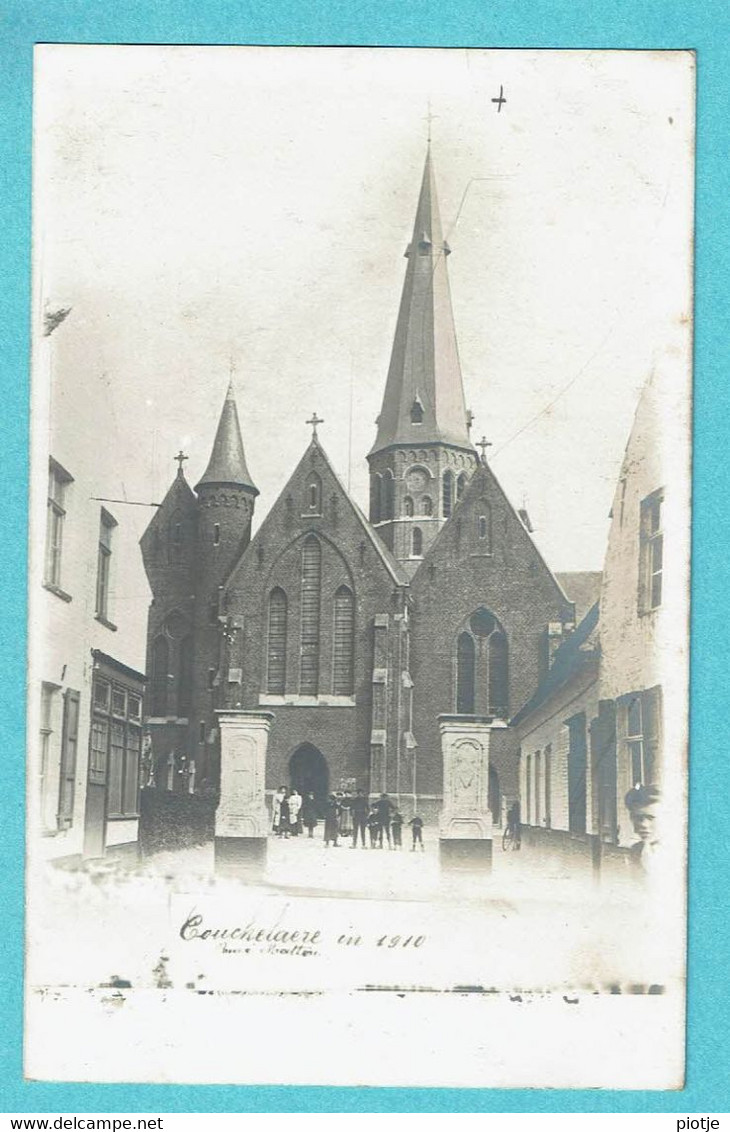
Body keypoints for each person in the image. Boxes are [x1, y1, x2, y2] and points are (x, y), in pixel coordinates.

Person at [625, 784, 661, 877]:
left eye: (651, 818)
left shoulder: (680, 850)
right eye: (638, 818)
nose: (643, 825)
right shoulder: (635, 851)